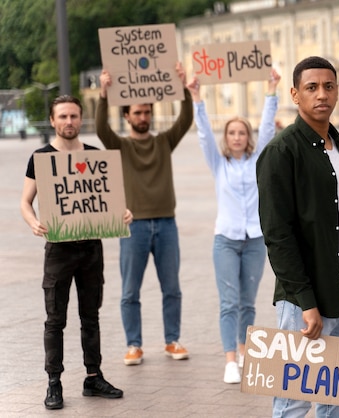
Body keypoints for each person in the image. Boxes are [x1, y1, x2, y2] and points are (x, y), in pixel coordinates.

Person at [256, 56, 339, 418]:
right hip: (306, 297)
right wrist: (305, 301)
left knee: (337, 395)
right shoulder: (280, 152)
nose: (321, 95)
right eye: (312, 88)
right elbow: (277, 235)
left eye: (328, 86)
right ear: (295, 94)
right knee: (293, 399)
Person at [20, 95, 131, 410]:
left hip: (91, 248)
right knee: (55, 319)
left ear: (80, 119)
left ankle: (93, 376)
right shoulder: (41, 157)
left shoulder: (97, 157)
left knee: (91, 316)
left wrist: (123, 214)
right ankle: (53, 382)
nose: (69, 122)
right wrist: (33, 222)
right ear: (53, 121)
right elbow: (25, 201)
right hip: (58, 249)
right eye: (63, 117)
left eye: (74, 116)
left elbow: (110, 201)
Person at [187, 68, 281, 384]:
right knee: (229, 302)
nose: (237, 137)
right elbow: (202, 134)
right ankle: (230, 360)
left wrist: (271, 89)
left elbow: (268, 128)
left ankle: (245, 351)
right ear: (226, 139)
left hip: (255, 240)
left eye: (242, 133)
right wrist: (196, 97)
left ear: (247, 137)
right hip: (225, 240)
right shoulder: (219, 164)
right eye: (232, 133)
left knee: (248, 303)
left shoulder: (259, 161)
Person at [97, 62, 193, 365]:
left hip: (167, 223)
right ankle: (134, 345)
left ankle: (172, 340)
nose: (143, 117)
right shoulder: (120, 146)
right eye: (137, 112)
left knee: (172, 288)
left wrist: (182, 88)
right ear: (126, 116)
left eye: (147, 112)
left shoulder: (164, 142)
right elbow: (101, 129)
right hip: (134, 227)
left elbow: (185, 120)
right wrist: (103, 94)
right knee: (129, 290)